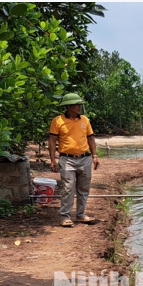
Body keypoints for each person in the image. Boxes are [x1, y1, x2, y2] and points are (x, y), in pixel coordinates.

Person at [48, 93, 100, 227]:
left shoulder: (85, 120)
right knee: (68, 188)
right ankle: (65, 216)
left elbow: (91, 138)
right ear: (68, 106)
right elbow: (52, 141)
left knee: (84, 189)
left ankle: (81, 215)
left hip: (85, 158)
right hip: (67, 159)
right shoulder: (58, 121)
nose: (79, 107)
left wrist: (94, 156)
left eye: (79, 104)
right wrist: (52, 159)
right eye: (76, 105)